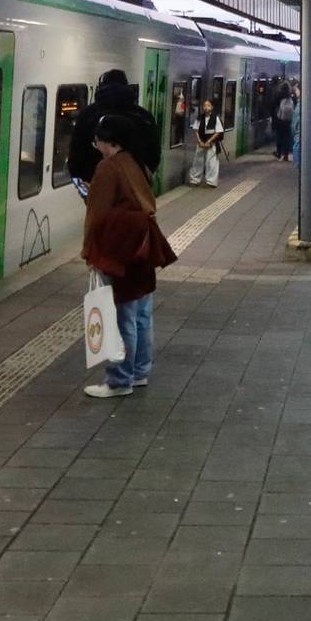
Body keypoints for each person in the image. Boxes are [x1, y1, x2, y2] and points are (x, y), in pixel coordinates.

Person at [82, 115, 174, 398]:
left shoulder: (108, 167)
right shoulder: (135, 163)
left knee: (121, 317)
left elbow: (97, 214)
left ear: (108, 141)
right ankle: (139, 372)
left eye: (97, 139)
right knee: (142, 314)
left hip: (120, 251)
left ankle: (120, 379)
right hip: (142, 249)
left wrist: (89, 251)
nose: (95, 143)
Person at [70, 69, 161, 188]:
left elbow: (75, 156)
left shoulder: (88, 115)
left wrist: (87, 186)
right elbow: (154, 155)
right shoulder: (144, 117)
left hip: (97, 187)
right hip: (134, 188)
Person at [188, 99, 227, 188]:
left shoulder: (215, 118)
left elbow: (218, 132)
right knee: (198, 161)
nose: (206, 108)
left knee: (212, 163)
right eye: (204, 106)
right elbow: (196, 130)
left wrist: (209, 142)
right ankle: (195, 180)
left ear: (212, 107)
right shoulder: (200, 118)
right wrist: (200, 142)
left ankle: (211, 182)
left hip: (212, 144)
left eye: (208, 105)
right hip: (201, 143)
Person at [272, 84, 297, 163]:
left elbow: (273, 106)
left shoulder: (278, 96)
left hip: (279, 119)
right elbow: (295, 105)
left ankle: (279, 153)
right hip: (288, 120)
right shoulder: (291, 96)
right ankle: (286, 155)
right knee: (287, 137)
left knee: (279, 136)